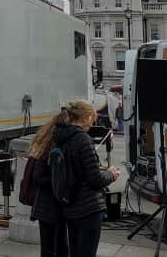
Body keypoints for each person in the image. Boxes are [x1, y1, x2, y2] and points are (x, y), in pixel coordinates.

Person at [36, 100, 121, 257]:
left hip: (70, 207)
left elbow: (72, 171)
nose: (92, 123)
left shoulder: (60, 137)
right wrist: (111, 174)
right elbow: (95, 180)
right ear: (85, 117)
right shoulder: (83, 139)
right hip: (88, 207)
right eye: (92, 118)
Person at [29, 115, 69, 257]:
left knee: (60, 246)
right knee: (50, 248)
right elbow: (38, 178)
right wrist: (60, 179)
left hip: (54, 204)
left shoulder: (56, 144)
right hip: (47, 205)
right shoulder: (49, 147)